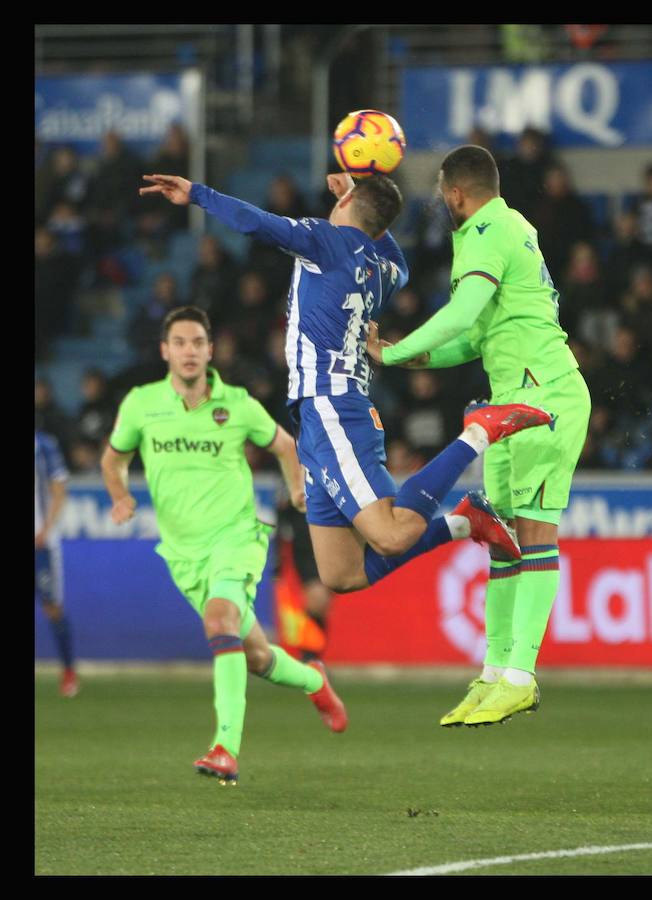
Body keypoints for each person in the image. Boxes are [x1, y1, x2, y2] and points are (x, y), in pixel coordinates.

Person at [139, 171, 553, 600]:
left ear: (344, 205)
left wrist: (197, 194)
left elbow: (256, 221)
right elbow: (403, 268)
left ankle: (477, 432)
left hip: (333, 407)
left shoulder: (324, 241)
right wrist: (369, 210)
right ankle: (465, 523)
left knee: (391, 536)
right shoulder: (382, 269)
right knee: (341, 574)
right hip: (317, 416)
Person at [367, 145, 592, 727]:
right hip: (510, 400)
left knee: (536, 537)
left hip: (545, 397)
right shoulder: (500, 229)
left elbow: (462, 314)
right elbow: (475, 339)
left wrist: (396, 352)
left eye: (443, 192)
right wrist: (410, 359)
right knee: (501, 539)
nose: (442, 201)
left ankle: (521, 675)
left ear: (455, 193)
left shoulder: (490, 230)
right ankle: (495, 671)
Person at [101, 306, 348, 786]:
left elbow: (285, 445)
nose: (189, 351)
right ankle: (316, 681)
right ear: (165, 351)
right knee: (254, 657)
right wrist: (120, 495)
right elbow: (113, 460)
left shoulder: (238, 405)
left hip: (237, 539)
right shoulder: (140, 404)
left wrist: (297, 488)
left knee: (219, 621)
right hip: (184, 554)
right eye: (180, 343)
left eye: (197, 342)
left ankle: (225, 748)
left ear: (210, 351)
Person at [35, 430, 79, 697]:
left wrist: (47, 528)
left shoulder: (43, 446)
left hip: (42, 545)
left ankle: (68, 673)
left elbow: (59, 489)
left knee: (52, 607)